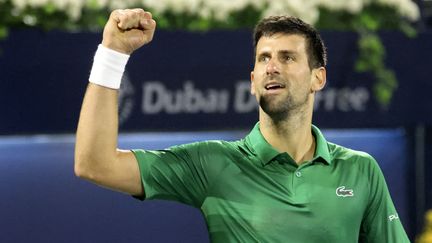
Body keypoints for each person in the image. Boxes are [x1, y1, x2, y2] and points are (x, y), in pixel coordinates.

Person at [74, 8, 410, 242]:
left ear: (317, 78)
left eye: (287, 57)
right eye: (264, 58)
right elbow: (95, 164)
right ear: (252, 80)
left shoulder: (361, 171)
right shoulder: (213, 164)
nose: (272, 67)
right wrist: (112, 54)